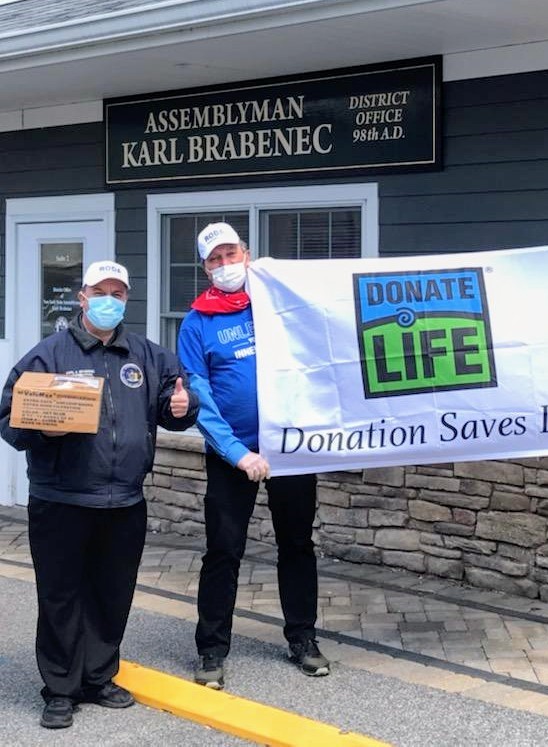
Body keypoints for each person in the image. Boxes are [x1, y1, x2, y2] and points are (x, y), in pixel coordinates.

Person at [0, 260, 199, 729]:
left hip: (125, 499)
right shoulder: (46, 355)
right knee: (61, 595)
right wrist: (44, 427)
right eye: (100, 291)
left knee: (112, 593)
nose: (109, 299)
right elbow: (9, 421)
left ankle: (98, 676)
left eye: (118, 292)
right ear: (82, 297)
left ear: (125, 299)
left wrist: (183, 407)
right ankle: (60, 688)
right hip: (61, 499)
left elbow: (174, 408)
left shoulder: (148, 356)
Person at [177, 222, 328, 690]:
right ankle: (211, 650)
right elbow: (198, 394)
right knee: (223, 550)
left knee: (297, 546)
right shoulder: (196, 323)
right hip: (232, 457)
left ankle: (303, 638)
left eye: (231, 254)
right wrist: (238, 453)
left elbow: (322, 352)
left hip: (289, 448)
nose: (225, 266)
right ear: (205, 267)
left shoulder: (277, 304)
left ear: (247, 254)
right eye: (215, 260)